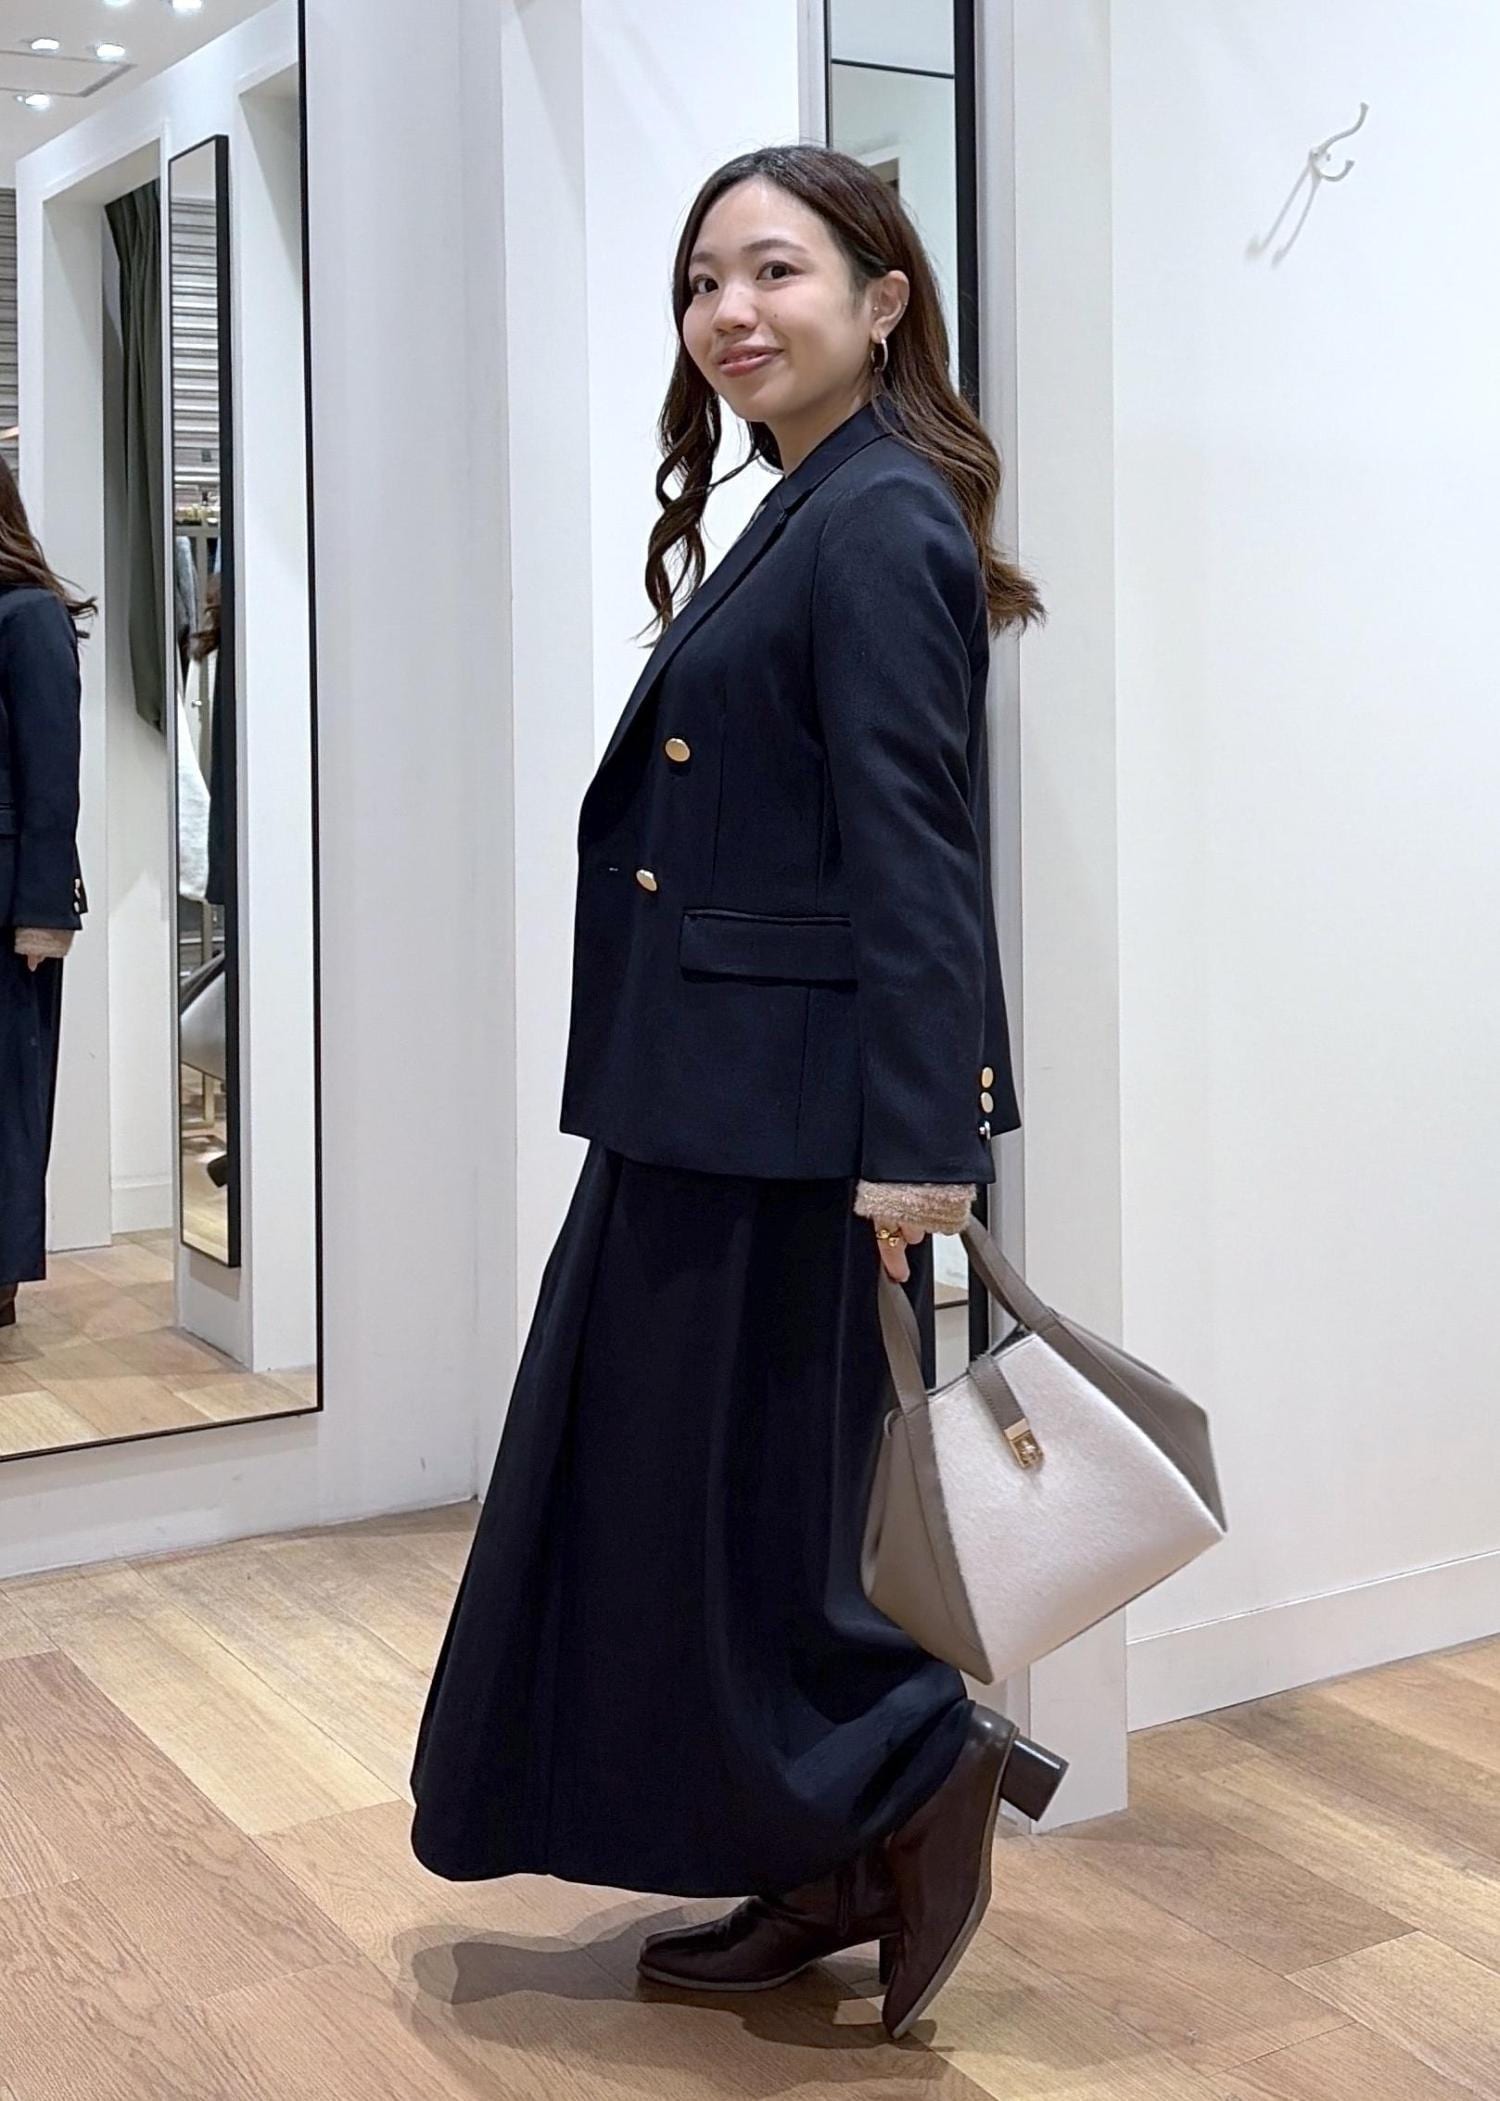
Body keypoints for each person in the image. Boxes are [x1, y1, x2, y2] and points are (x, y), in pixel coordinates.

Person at [409, 142, 1067, 2041]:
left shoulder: (880, 516)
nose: (731, 313)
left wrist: (923, 1145)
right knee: (719, 1511)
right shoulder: (813, 500)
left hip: (785, 1118)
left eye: (775, 272)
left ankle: (908, 1776)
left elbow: (918, 852)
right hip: (709, 1096)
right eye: (705, 282)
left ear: (883, 300)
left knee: (732, 1509)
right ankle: (824, 1852)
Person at [0, 456, 91, 1328]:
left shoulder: (29, 618)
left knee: (8, 1093)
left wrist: (40, 916)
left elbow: (52, 777)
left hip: (6, 905)